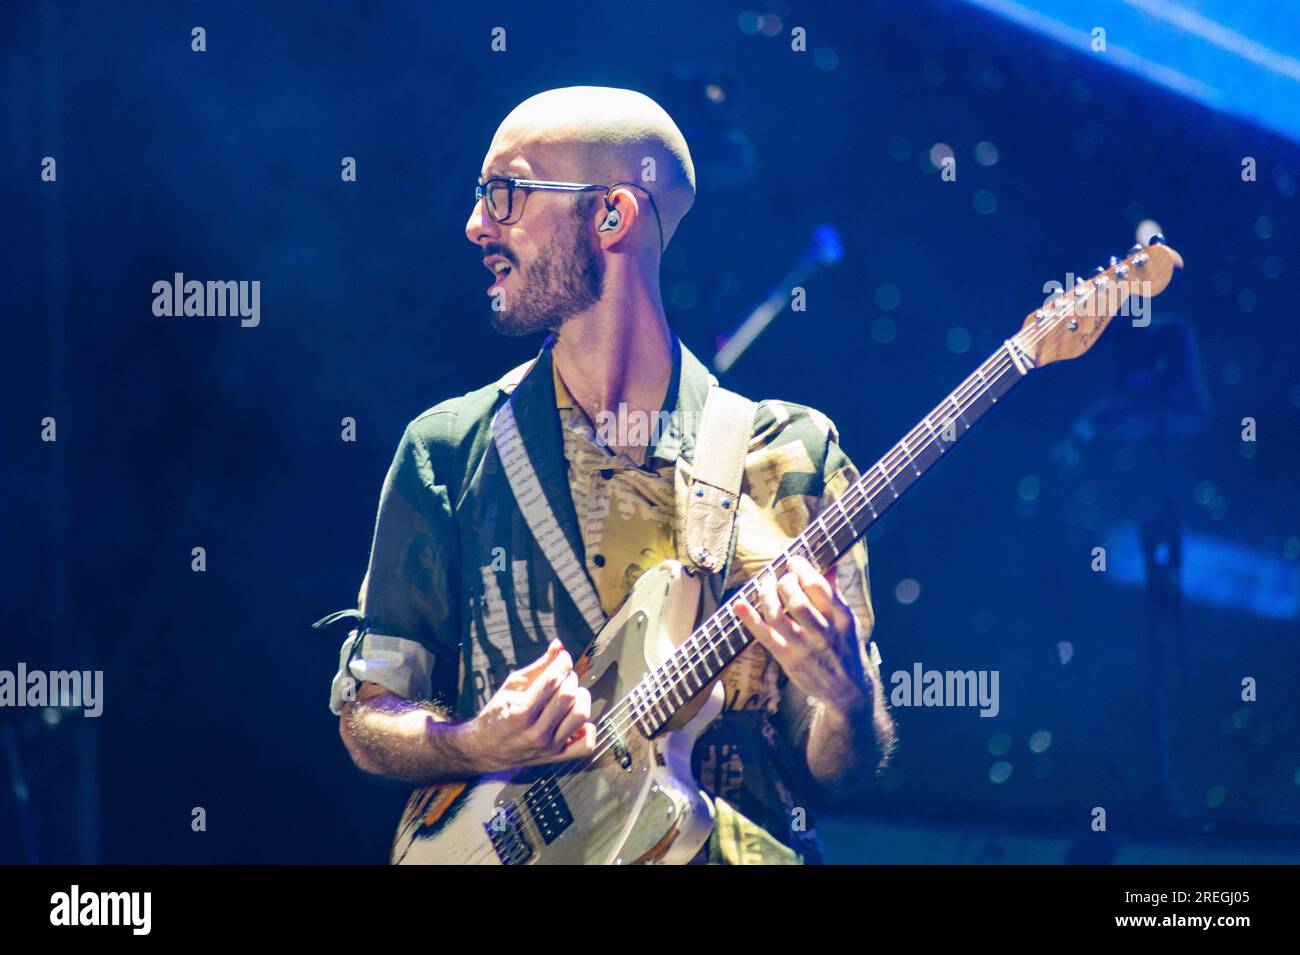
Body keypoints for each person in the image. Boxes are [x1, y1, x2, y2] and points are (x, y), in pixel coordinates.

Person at [328, 86, 895, 864]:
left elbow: (838, 767)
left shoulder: (789, 451)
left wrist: (848, 699)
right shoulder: (450, 446)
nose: (476, 226)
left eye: (506, 194)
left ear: (611, 216)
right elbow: (367, 716)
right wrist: (471, 741)